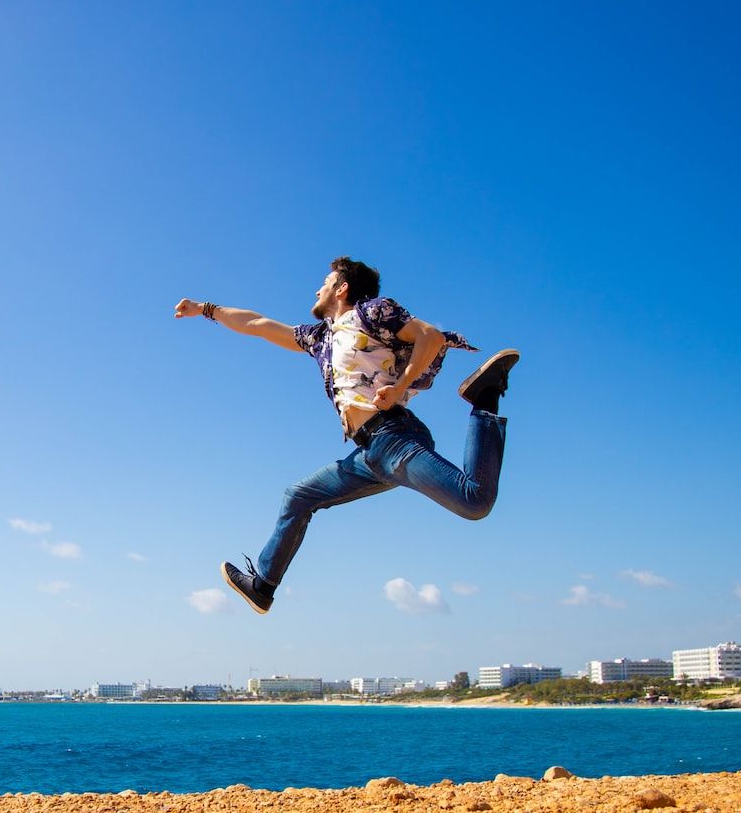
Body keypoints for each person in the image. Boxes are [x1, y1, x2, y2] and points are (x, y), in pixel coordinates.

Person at [173, 257, 517, 614]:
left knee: (474, 501)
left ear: (342, 288)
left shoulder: (372, 313)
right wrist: (205, 309)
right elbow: (258, 324)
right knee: (298, 496)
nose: (317, 288)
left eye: (325, 281)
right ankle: (263, 586)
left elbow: (428, 337)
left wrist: (398, 388)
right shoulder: (321, 337)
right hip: (368, 455)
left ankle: (485, 398)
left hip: (395, 438)